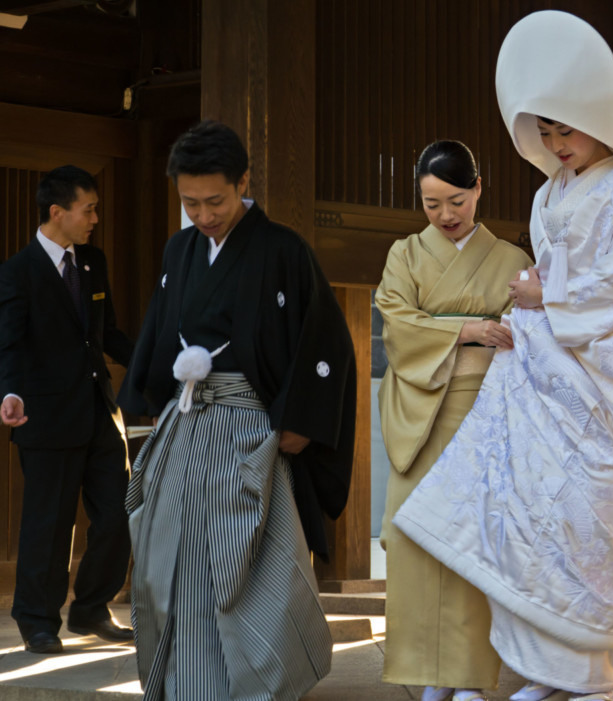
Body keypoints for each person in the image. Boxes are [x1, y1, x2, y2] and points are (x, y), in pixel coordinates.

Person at [393, 11, 613, 701]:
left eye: (564, 127)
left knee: (585, 524)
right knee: (529, 522)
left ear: (599, 116)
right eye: (544, 132)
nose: (554, 143)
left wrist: (546, 291)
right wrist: (539, 302)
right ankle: (545, 673)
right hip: (549, 375)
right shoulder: (546, 196)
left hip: (608, 384)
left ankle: (587, 676)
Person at [118, 121, 356, 700]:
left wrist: (297, 420)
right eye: (191, 203)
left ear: (244, 182)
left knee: (244, 562)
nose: (203, 215)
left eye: (215, 201)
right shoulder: (181, 249)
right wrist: (147, 403)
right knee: (166, 557)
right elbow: (156, 335)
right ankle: (183, 683)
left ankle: (256, 681)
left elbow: (325, 345)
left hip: (250, 430)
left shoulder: (283, 250)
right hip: (188, 421)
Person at [376, 140, 533, 701]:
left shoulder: (513, 262)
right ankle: (426, 674)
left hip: (482, 410)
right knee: (415, 537)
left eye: (456, 201)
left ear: (478, 189)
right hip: (419, 411)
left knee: (474, 538)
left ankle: (467, 676)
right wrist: (468, 330)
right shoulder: (404, 255)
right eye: (431, 204)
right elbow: (396, 324)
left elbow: (527, 340)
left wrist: (488, 332)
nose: (445, 215)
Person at [0, 165, 134, 655]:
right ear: (58, 212)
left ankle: (91, 608)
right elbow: (8, 346)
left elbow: (107, 334)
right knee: (49, 526)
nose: (95, 217)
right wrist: (9, 393)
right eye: (89, 208)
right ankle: (38, 620)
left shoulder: (93, 262)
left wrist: (154, 367)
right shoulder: (17, 273)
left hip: (101, 412)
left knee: (122, 511)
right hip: (46, 418)